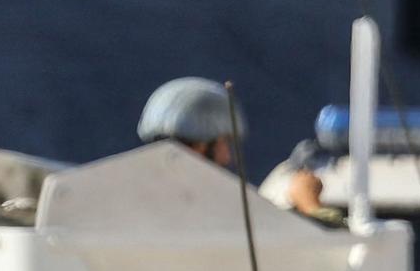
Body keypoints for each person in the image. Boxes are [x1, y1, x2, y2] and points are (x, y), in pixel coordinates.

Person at [137, 78, 345, 227]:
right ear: (202, 145)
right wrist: (310, 205)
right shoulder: (215, 209)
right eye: (224, 143)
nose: (227, 156)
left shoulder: (133, 201)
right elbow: (331, 249)